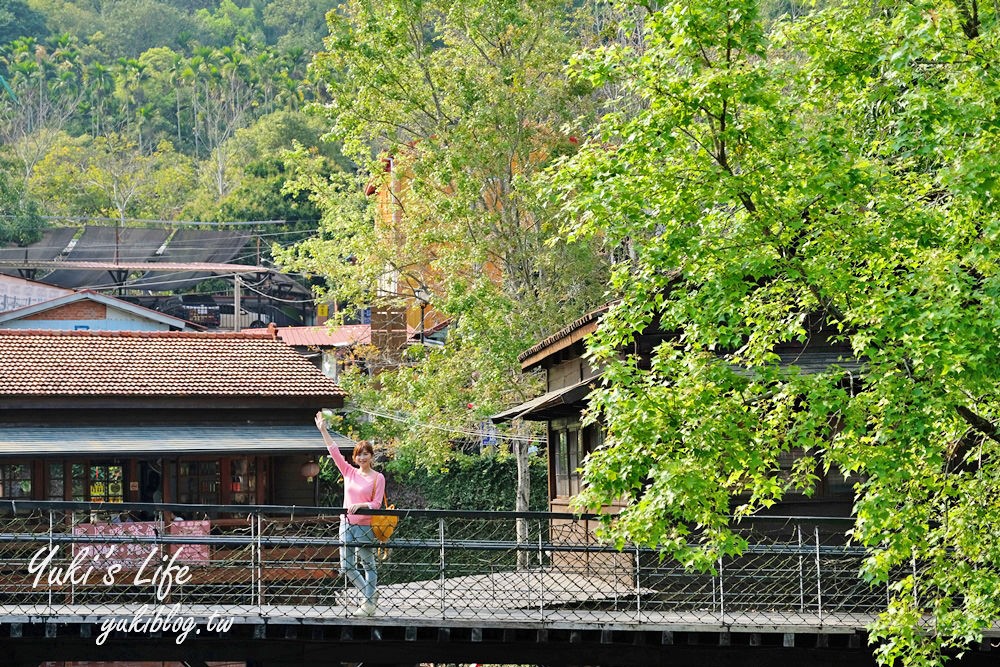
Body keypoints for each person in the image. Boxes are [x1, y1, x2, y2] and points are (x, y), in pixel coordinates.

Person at [315, 411, 385, 616]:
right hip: (345, 523)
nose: (362, 457)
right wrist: (323, 430)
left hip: (365, 524)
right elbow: (334, 451)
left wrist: (361, 505)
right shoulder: (349, 472)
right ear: (354, 458)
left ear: (371, 456)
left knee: (367, 563)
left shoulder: (378, 477)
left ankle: (369, 604)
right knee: (346, 566)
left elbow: (377, 504)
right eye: (358, 454)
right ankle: (370, 596)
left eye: (366, 454)